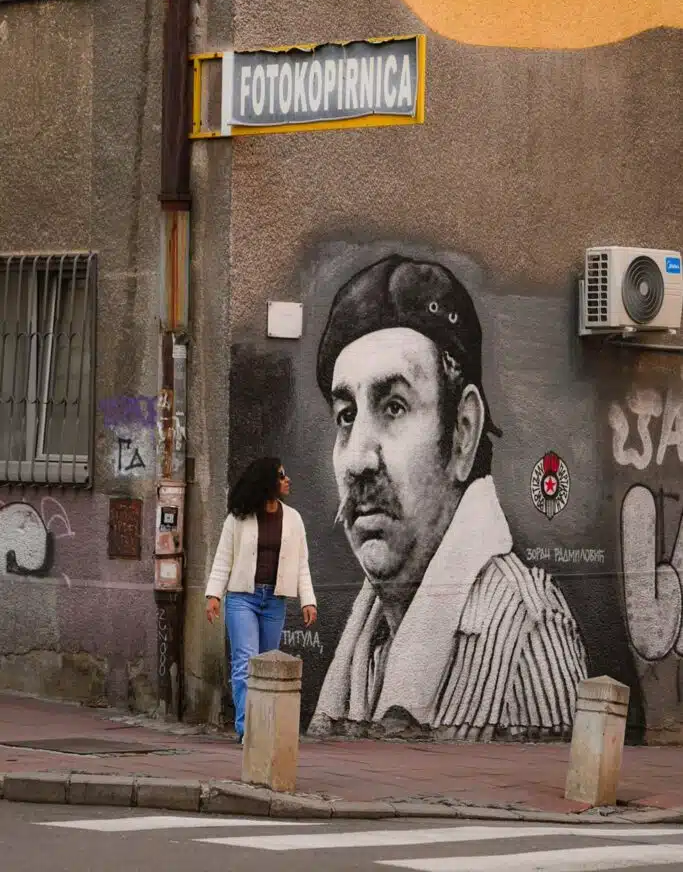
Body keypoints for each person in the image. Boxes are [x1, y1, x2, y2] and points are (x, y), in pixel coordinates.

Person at [309, 254, 587, 741]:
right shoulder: (369, 635)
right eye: (346, 415)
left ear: (462, 433)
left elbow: (550, 809)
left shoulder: (527, 635)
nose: (357, 459)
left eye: (393, 406)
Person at [205, 457, 318, 742]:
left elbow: (302, 562)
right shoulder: (238, 517)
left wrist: (308, 599)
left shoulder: (293, 518)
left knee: (267, 665)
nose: (287, 480)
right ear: (267, 482)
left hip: (274, 601)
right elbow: (223, 559)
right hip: (243, 598)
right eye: (281, 476)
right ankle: (248, 730)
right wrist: (214, 595)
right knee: (245, 662)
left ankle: (263, 726)